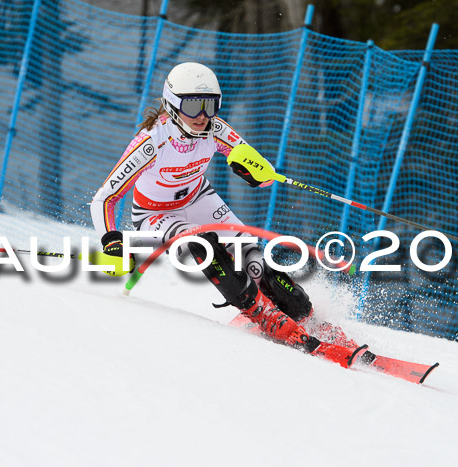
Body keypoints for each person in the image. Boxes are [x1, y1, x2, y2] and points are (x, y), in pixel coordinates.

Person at [91, 62, 362, 367]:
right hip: (156, 213)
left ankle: (307, 317)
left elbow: (258, 167)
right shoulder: (151, 142)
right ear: (172, 104)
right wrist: (112, 243)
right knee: (203, 243)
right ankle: (260, 314)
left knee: (255, 261)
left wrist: (257, 173)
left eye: (211, 105)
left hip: (198, 198)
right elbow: (104, 198)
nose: (203, 115)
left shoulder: (215, 129)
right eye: (193, 106)